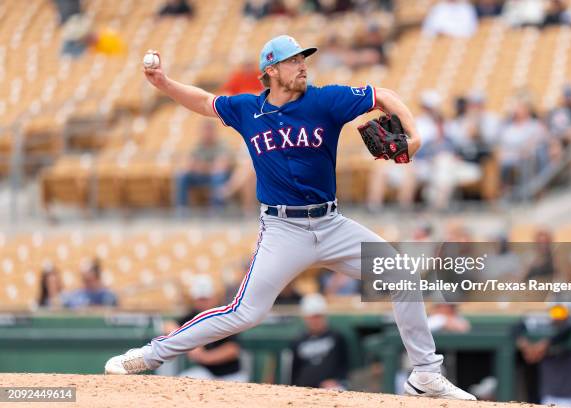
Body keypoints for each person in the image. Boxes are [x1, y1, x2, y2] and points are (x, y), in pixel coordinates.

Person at [105, 34, 475, 401]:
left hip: (332, 225)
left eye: (303, 59)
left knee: (402, 275)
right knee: (244, 313)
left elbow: (382, 96)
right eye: (293, 60)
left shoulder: (325, 99)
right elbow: (204, 101)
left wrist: (414, 135)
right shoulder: (247, 109)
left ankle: (426, 373)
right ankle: (149, 355)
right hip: (283, 230)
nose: (302, 66)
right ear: (271, 70)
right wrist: (165, 83)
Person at [166, 275, 247, 382]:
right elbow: (169, 325)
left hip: (230, 375)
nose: (202, 302)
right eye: (199, 299)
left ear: (214, 297)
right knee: (184, 380)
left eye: (205, 299)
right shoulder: (195, 314)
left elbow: (232, 350)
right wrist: (188, 342)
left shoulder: (225, 315)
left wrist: (204, 356)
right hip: (208, 374)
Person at [513, 304, 571, 407]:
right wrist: (524, 344)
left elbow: (570, 328)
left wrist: (545, 344)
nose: (556, 318)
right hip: (551, 397)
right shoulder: (545, 329)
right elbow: (516, 327)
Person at [290, 293, 350, 389]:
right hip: (304, 389)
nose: (316, 321)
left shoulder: (336, 337)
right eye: (312, 317)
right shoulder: (298, 341)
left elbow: (345, 366)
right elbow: (294, 371)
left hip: (332, 387)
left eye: (319, 316)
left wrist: (337, 380)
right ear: (305, 318)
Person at [174, 120, 231, 214]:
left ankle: (217, 208)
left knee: (218, 177)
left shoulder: (222, 145)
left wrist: (200, 166)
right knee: (182, 175)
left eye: (209, 130)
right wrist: (208, 167)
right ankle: (182, 208)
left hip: (218, 177)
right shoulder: (197, 146)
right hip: (201, 176)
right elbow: (188, 165)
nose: (207, 133)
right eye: (205, 130)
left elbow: (221, 167)